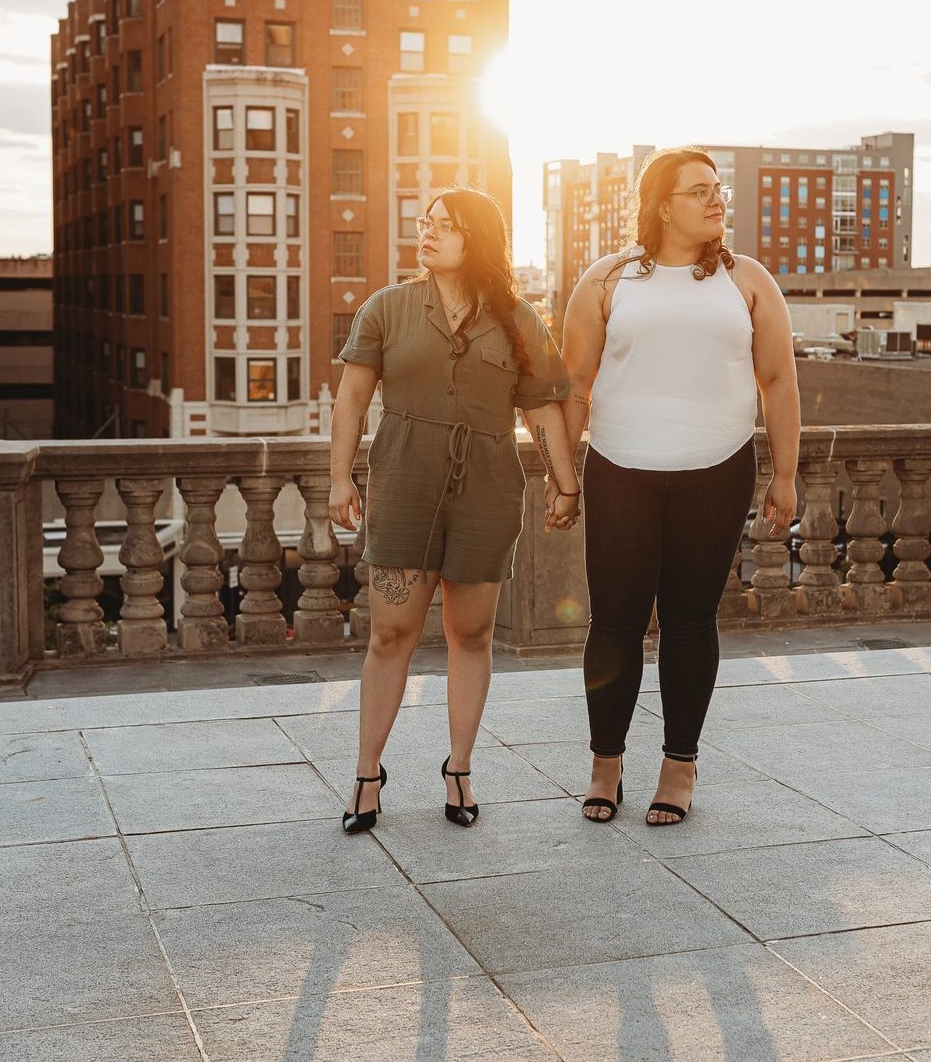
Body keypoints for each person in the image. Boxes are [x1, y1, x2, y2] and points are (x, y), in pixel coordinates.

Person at [560, 148, 799, 825]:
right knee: (614, 623)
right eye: (700, 191)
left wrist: (785, 473)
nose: (717, 201)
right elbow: (574, 385)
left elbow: (778, 380)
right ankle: (606, 764)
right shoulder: (608, 280)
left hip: (716, 472)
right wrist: (560, 477)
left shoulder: (748, 280)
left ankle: (679, 765)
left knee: (692, 621)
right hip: (621, 469)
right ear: (664, 205)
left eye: (718, 190)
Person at [329, 188, 576, 835]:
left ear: (479, 238)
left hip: (487, 491)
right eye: (425, 223)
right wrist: (337, 479)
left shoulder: (519, 319)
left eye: (445, 225)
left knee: (471, 633)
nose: (428, 233)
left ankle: (459, 768)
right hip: (404, 485)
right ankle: (366, 774)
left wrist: (565, 483)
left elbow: (543, 409)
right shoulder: (388, 309)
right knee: (391, 634)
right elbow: (352, 400)